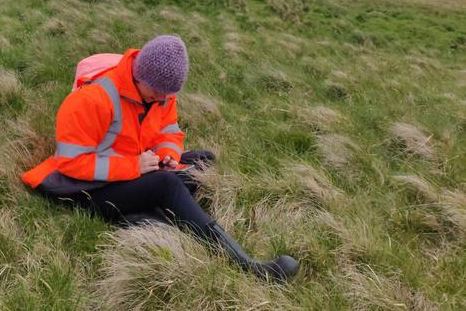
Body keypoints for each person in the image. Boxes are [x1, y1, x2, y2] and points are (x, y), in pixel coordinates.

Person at [22, 35, 299, 282]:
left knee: (203, 161)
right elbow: (71, 163)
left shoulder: (162, 94)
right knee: (167, 185)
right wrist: (134, 166)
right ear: (139, 76)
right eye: (156, 92)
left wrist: (168, 155)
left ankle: (141, 216)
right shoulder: (92, 99)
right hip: (84, 190)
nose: (162, 99)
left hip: (133, 171)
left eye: (168, 94)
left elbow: (170, 133)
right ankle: (245, 264)